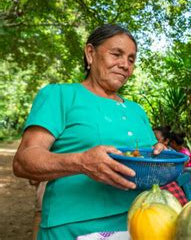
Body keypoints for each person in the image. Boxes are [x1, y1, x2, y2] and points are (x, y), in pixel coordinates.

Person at [12, 24, 172, 239]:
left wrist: (160, 154)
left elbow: (148, 158)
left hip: (141, 224)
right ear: (90, 53)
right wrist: (80, 161)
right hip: (75, 227)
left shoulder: (136, 110)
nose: (125, 65)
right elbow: (24, 161)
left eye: (131, 59)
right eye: (116, 54)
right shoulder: (60, 95)